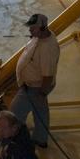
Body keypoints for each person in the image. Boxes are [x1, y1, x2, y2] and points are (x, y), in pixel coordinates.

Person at [11, 13, 60, 147]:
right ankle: (40, 139)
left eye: (33, 28)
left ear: (43, 28)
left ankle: (11, 140)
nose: (30, 30)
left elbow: (48, 76)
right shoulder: (40, 37)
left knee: (15, 113)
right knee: (41, 112)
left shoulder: (47, 49)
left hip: (36, 87)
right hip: (35, 85)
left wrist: (41, 94)